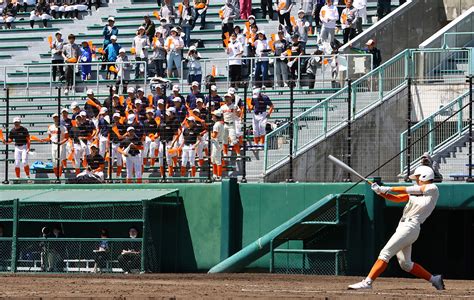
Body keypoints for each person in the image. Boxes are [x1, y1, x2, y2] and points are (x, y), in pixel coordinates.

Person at [348, 166, 445, 291]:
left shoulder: (432, 188)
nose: (416, 180)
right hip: (403, 226)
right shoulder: (415, 192)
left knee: (385, 253)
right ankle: (434, 279)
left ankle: (367, 282)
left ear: (424, 176)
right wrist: (380, 192)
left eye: (417, 177)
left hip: (411, 226)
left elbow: (410, 189)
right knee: (406, 264)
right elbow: (397, 198)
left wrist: (388, 188)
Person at [43, 114, 69, 178]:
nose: (56, 119)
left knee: (59, 162)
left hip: (61, 145)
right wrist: (44, 140)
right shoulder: (51, 127)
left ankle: (59, 177)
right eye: (54, 118)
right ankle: (57, 176)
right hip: (54, 145)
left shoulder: (63, 127)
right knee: (54, 163)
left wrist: (61, 142)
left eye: (57, 118)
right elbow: (50, 137)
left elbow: (66, 137)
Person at [221, 93, 240, 157]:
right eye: (226, 97)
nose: (226, 99)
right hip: (225, 125)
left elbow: (238, 115)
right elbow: (219, 115)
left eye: (228, 97)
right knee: (225, 141)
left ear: (231, 98)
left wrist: (236, 110)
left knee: (234, 140)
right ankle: (225, 154)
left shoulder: (234, 106)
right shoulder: (223, 107)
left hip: (231, 124)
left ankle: (238, 154)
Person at [210, 110, 224, 180]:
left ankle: (219, 176)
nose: (212, 116)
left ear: (216, 116)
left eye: (213, 115)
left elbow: (214, 135)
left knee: (217, 160)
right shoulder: (220, 123)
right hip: (218, 143)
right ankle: (215, 175)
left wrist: (210, 134)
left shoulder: (216, 124)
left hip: (217, 143)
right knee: (214, 160)